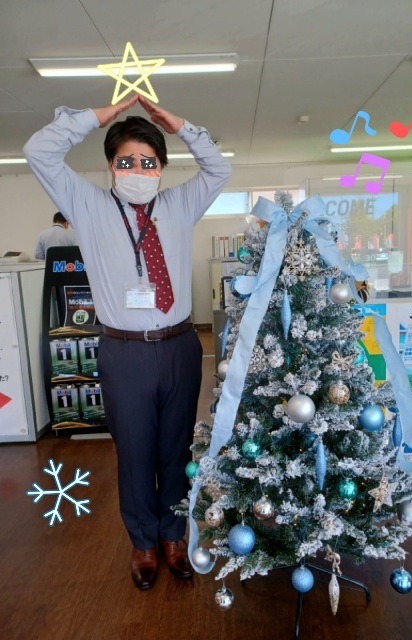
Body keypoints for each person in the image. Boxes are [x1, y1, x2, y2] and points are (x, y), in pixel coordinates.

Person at [24, 93, 232, 590]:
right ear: (111, 166)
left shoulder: (180, 203)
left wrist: (180, 126)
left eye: (148, 161)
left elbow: (219, 168)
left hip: (180, 346)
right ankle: (143, 543)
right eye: (126, 161)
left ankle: (173, 536)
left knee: (175, 449)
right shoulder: (87, 204)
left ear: (161, 167)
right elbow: (38, 151)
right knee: (135, 451)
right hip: (124, 351)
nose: (138, 169)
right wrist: (99, 116)